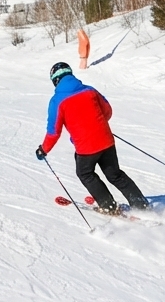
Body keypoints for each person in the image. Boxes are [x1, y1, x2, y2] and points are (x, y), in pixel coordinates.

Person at [36, 62, 148, 214]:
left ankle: (108, 206)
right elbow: (107, 111)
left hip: (86, 147)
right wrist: (97, 126)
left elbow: (53, 132)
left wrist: (44, 149)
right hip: (106, 140)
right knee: (115, 174)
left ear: (55, 80)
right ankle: (142, 205)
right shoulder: (90, 90)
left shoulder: (57, 101)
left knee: (85, 173)